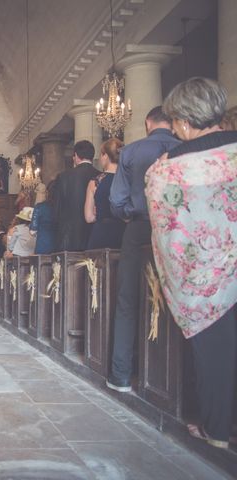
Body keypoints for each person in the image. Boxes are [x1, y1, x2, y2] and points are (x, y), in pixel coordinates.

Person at [146, 77, 237, 449]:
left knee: (216, 351)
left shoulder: (166, 170)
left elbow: (167, 225)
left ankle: (217, 430)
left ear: (183, 122)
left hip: (204, 282)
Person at [106, 106, 181, 393]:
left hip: (140, 226)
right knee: (175, 298)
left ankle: (121, 375)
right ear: (173, 122)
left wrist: (131, 213)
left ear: (147, 122)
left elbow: (116, 200)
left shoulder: (132, 151)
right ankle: (172, 385)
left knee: (128, 299)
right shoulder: (185, 147)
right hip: (178, 228)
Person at [54, 140, 99, 251]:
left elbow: (57, 209)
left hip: (69, 236)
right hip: (94, 233)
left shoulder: (63, 177)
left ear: (76, 156)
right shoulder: (100, 176)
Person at [84, 138, 126, 249]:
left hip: (102, 232)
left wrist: (97, 214)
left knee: (99, 265)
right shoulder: (128, 180)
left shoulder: (95, 182)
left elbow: (88, 217)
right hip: (124, 232)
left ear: (105, 156)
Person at [30, 182, 57, 254]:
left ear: (47, 192)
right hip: (59, 246)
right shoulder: (63, 208)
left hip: (43, 245)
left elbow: (32, 231)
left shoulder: (39, 207)